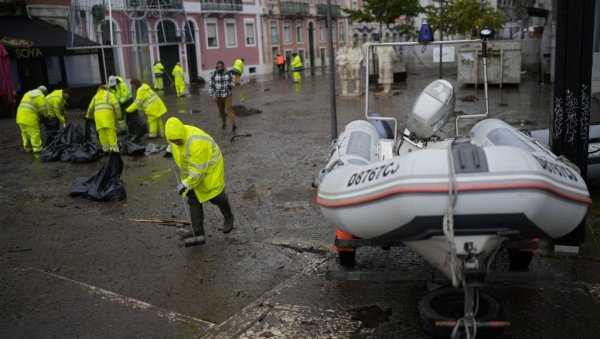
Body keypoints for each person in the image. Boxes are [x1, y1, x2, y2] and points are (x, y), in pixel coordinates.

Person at [165, 117, 235, 243]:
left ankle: (229, 217)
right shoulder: (173, 134)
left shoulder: (196, 142)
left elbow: (198, 170)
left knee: (216, 196)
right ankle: (197, 230)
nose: (177, 143)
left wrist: (185, 184)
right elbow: (172, 141)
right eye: (173, 141)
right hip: (193, 172)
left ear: (182, 134)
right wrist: (169, 149)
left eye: (178, 141)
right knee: (193, 199)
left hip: (209, 169)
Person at [85, 85, 123, 153]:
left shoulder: (96, 96)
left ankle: (106, 150)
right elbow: (117, 106)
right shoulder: (110, 95)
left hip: (98, 119)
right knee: (111, 134)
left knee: (102, 135)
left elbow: (90, 108)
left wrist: (88, 116)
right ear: (107, 89)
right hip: (108, 118)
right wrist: (119, 115)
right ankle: (114, 150)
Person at [15, 85, 48, 153]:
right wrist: (47, 115)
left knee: (25, 133)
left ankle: (28, 148)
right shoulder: (40, 95)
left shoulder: (27, 93)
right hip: (29, 118)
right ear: (44, 92)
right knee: (34, 133)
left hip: (20, 116)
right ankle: (37, 149)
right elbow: (43, 109)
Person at [208, 61, 236, 131]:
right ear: (217, 67)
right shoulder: (214, 74)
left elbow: (233, 82)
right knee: (221, 110)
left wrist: (230, 85)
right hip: (218, 96)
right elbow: (211, 85)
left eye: (221, 66)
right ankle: (224, 123)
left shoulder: (228, 73)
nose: (220, 68)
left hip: (227, 95)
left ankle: (233, 124)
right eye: (218, 67)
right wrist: (213, 95)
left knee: (229, 109)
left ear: (223, 66)